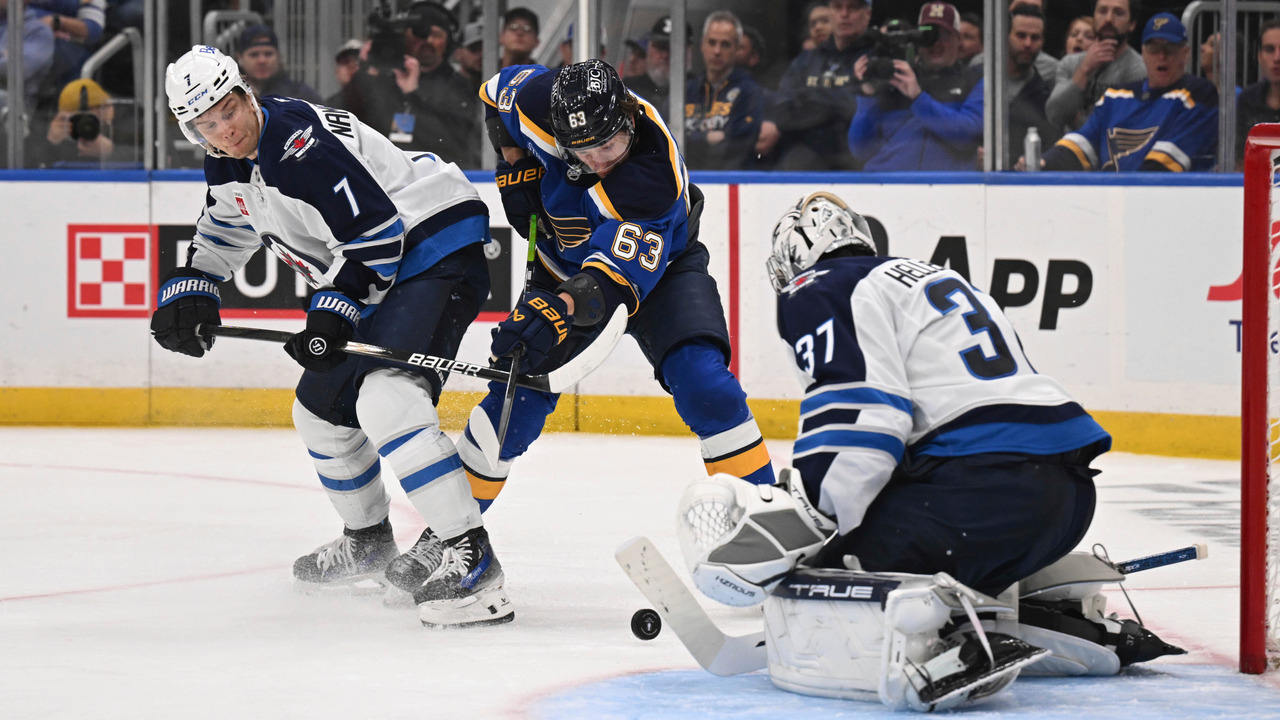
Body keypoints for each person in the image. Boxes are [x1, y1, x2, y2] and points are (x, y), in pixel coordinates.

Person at [676, 192, 1183, 710]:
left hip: (980, 496)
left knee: (827, 579)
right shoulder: (933, 279)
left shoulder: (819, 286)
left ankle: (933, 658)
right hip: (1066, 501)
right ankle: (1068, 625)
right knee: (912, 545)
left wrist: (811, 516)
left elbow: (864, 419)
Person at [152, 45, 509, 629]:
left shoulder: (298, 146)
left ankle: (473, 558)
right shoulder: (228, 158)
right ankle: (369, 541)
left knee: (388, 398)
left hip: (433, 249)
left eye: (228, 110)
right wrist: (195, 284)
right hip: (384, 266)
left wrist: (332, 313)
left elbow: (378, 236)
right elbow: (228, 225)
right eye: (207, 124)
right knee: (320, 412)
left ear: (245, 94)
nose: (225, 130)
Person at [464, 58, 776, 514]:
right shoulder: (537, 102)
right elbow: (495, 94)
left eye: (609, 145)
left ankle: (766, 518)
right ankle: (452, 533)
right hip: (562, 270)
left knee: (705, 386)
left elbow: (608, 285)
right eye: (582, 152)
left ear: (628, 119)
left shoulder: (653, 177)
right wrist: (516, 163)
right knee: (513, 404)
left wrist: (555, 310)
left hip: (664, 272)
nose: (598, 161)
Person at [1042, 13, 1218, 171]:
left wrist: (1124, 192)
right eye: (1154, 48)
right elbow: (1081, 143)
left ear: (1185, 54)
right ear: (1143, 53)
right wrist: (1042, 164)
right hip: (1113, 194)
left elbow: (1160, 171)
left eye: (1170, 49)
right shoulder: (1114, 97)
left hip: (1163, 195)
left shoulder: (1198, 95)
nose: (1161, 56)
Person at [847, 1, 983, 171]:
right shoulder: (894, 77)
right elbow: (860, 150)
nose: (936, 43)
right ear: (917, 39)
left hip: (945, 184)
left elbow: (968, 137)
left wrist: (918, 98)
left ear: (959, 40)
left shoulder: (974, 80)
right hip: (887, 182)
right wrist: (868, 95)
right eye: (927, 35)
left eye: (944, 35)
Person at [342, 1, 480, 167]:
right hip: (385, 175)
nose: (428, 40)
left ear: (448, 42)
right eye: (418, 33)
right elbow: (346, 122)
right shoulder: (383, 78)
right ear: (405, 37)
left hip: (437, 175)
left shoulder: (459, 86)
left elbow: (453, 141)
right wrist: (365, 70)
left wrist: (413, 95)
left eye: (436, 34)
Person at [756, 0, 872, 170]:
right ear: (830, 11)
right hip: (803, 162)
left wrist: (807, 98)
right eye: (837, 7)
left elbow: (857, 110)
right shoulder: (805, 61)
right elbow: (782, 113)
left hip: (857, 163)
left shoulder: (876, 59)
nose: (844, 14)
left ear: (867, 14)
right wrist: (842, 96)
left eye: (852, 7)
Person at [683, 11, 766, 170]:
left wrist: (691, 140)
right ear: (702, 45)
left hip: (729, 179)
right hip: (685, 177)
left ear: (737, 49)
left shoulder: (750, 93)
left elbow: (737, 148)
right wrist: (709, 138)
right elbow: (667, 139)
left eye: (725, 44)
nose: (717, 51)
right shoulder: (686, 91)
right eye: (712, 42)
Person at [1046, 0, 1145, 132]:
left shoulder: (1139, 69)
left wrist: (1075, 119)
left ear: (1132, 24)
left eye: (1118, 13)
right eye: (1102, 11)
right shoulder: (1070, 63)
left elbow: (1120, 128)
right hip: (1068, 145)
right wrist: (1084, 69)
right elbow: (1054, 116)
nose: (1108, 19)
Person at [1005, 5, 1060, 167]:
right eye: (1021, 36)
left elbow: (1051, 152)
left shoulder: (1046, 98)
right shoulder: (979, 79)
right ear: (1005, 36)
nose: (1028, 44)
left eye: (1035, 37)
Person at [31, 77, 122, 167]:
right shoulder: (50, 132)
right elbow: (28, 165)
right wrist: (50, 142)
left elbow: (130, 156)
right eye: (78, 117)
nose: (86, 123)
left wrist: (111, 152)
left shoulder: (119, 128)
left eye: (102, 107)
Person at [627, 15, 693, 123]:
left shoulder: (697, 90)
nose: (666, 55)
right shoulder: (628, 89)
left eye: (673, 49)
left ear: (689, 52)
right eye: (660, 47)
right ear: (649, 49)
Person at [235, 24, 321, 104]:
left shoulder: (301, 97)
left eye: (268, 54)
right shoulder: (231, 95)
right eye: (254, 55)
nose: (262, 60)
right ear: (240, 58)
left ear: (279, 57)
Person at [1236, 20, 1280, 162]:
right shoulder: (1247, 100)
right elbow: (1238, 160)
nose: (1277, 58)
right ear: (1259, 56)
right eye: (1269, 49)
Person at [323, 38, 363, 108]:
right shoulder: (330, 107)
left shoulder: (379, 102)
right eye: (345, 61)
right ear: (337, 72)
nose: (351, 65)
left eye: (357, 61)